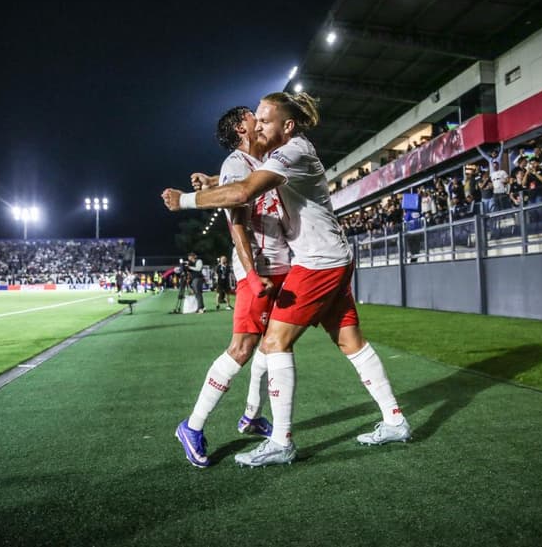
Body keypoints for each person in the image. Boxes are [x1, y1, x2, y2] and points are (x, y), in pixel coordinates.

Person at [162, 91, 410, 468]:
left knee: (274, 343)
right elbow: (247, 176)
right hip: (331, 257)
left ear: (287, 126)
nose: (259, 125)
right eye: (254, 120)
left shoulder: (291, 152)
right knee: (349, 340)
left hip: (315, 263)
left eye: (264, 119)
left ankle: (280, 441)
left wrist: (185, 201)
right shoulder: (285, 151)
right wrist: (214, 180)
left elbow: (245, 190)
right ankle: (395, 420)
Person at [174, 106, 292, 468]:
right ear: (242, 127)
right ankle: (192, 426)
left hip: (281, 265)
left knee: (273, 344)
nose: (260, 116)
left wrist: (210, 180)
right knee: (242, 348)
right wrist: (252, 273)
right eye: (252, 114)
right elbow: (237, 224)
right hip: (259, 270)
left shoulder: (261, 159)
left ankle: (253, 415)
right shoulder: (237, 163)